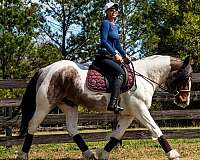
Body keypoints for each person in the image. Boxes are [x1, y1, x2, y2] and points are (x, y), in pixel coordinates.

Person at [95, 2, 129, 112]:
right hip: (104, 57)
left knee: (126, 70)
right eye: (111, 10)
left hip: (112, 56)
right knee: (120, 73)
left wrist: (124, 55)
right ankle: (113, 103)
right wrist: (115, 54)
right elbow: (104, 41)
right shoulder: (105, 23)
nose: (114, 11)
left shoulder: (116, 26)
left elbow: (117, 44)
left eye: (115, 10)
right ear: (106, 12)